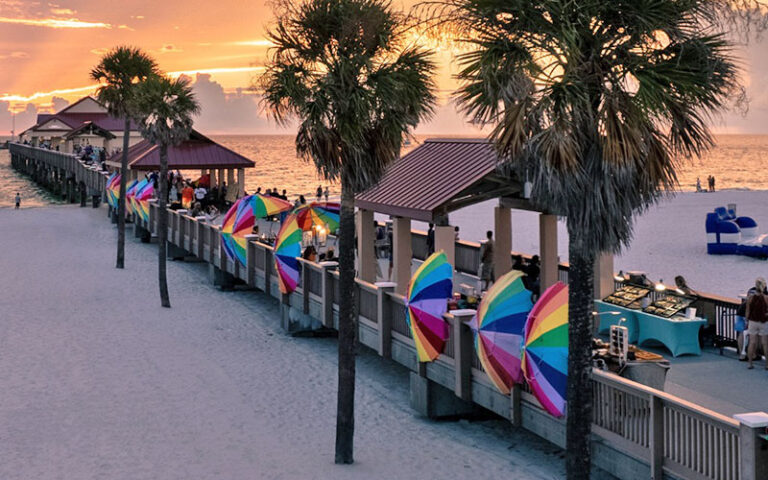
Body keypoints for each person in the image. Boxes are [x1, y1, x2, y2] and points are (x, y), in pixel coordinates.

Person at [745, 277, 768, 369]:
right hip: (763, 322)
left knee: (752, 343)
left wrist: (747, 321)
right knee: (765, 343)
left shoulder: (750, 297)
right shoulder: (766, 298)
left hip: (752, 322)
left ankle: (750, 363)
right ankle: (767, 364)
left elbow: (747, 311)